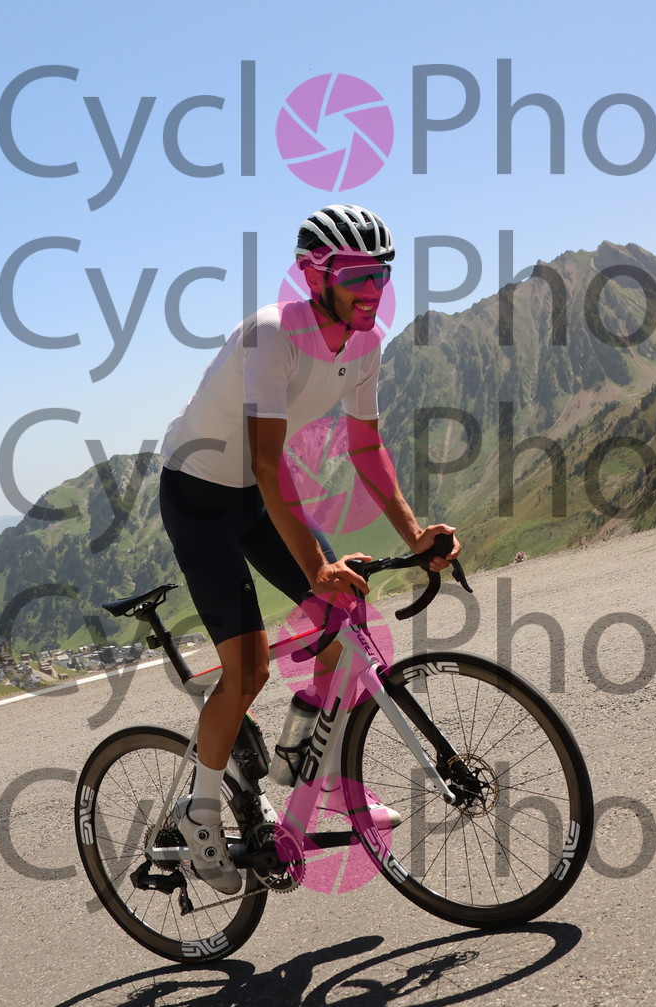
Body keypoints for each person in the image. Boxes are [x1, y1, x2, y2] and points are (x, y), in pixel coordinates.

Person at [158, 204, 459, 893]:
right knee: (248, 672)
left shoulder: (366, 344)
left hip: (254, 497)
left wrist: (415, 534)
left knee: (342, 624)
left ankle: (313, 773)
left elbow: (366, 447)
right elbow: (268, 463)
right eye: (356, 275)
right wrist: (317, 565)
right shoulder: (272, 334)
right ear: (314, 275)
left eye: (381, 274)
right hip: (199, 495)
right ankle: (199, 812)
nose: (372, 289)